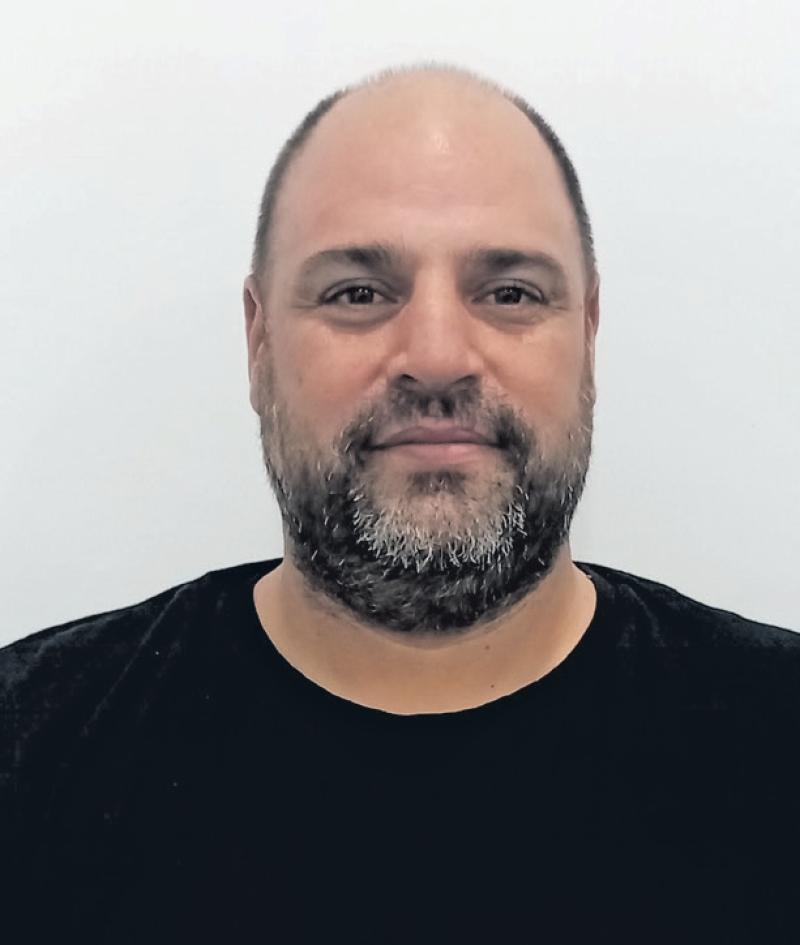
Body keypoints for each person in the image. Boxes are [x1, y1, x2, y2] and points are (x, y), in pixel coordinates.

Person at [1, 63, 798, 945]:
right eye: (358, 293)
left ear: (589, 334)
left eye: (510, 293)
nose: (437, 356)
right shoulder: (28, 749)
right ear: (259, 343)